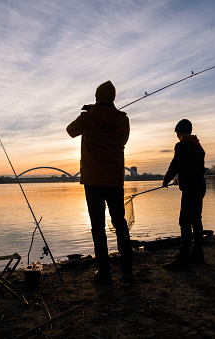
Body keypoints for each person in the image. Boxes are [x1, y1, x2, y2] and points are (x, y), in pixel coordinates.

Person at [66, 80, 134, 286]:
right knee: (120, 224)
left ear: (97, 97)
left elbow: (70, 130)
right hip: (114, 180)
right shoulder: (123, 120)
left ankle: (104, 272)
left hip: (93, 181)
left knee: (98, 227)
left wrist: (89, 113)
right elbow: (123, 141)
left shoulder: (87, 118)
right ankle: (127, 273)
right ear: (113, 98)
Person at [162, 119, 206, 270]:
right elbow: (195, 168)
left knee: (185, 222)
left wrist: (166, 179)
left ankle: (183, 259)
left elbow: (176, 164)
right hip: (199, 186)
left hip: (191, 188)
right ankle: (198, 255)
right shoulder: (198, 147)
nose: (176, 136)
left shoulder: (181, 145)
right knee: (196, 220)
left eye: (177, 133)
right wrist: (180, 179)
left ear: (180, 132)